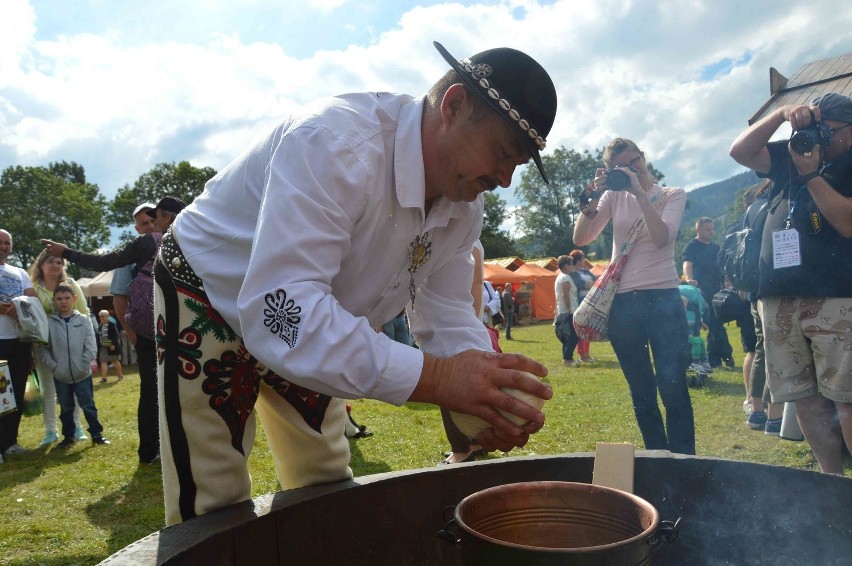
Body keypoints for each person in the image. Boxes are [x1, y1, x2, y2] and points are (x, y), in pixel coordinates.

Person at [152, 41, 555, 524]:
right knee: (211, 498)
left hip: (318, 312)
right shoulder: (334, 142)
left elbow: (445, 307)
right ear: (454, 106)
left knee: (324, 482)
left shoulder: (465, 201)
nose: (507, 179)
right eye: (504, 153)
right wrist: (440, 380)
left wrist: (485, 398)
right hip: (208, 288)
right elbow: (280, 306)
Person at [729, 92, 852, 474]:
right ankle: (831, 485)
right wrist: (782, 114)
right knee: (805, 399)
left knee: (847, 398)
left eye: (828, 131)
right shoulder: (791, 153)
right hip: (779, 299)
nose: (820, 138)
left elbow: (847, 222)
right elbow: (740, 151)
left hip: (836, 296)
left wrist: (811, 174)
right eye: (816, 129)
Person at [40, 197, 184, 465]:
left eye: (156, 218)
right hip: (179, 327)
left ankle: (153, 452)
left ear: (166, 217)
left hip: (153, 328)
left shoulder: (151, 243)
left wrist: (66, 251)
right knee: (176, 388)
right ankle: (163, 451)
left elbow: (104, 261)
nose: (153, 224)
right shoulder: (193, 241)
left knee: (154, 390)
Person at [574, 137, 695, 455]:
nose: (630, 170)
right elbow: (582, 237)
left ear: (644, 157)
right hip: (624, 304)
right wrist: (593, 198)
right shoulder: (612, 197)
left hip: (664, 299)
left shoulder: (672, 194)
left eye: (634, 162)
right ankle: (657, 457)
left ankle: (684, 462)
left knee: (673, 387)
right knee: (641, 391)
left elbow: (661, 238)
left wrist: (639, 191)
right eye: (621, 168)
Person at [28, 251, 90, 445]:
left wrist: (83, 337)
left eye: (59, 262)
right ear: (41, 265)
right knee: (48, 390)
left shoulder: (71, 285)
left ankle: (77, 427)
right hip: (44, 345)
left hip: (71, 345)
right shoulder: (33, 288)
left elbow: (84, 311)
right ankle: (50, 432)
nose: (55, 265)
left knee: (74, 387)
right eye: (50, 262)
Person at [37, 283, 110, 448]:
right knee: (66, 407)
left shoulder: (83, 320)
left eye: (67, 298)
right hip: (61, 375)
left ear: (74, 299)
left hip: (82, 373)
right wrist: (54, 366)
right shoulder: (50, 323)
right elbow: (43, 348)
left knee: (88, 404)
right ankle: (68, 437)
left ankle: (97, 434)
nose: (63, 302)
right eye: (59, 299)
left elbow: (91, 344)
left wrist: (84, 363)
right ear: (54, 301)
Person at [0, 229, 36, 463]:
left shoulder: (19, 272)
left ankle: (10, 442)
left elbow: (31, 298)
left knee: (16, 393)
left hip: (20, 339)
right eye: (0, 242)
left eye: (7, 243)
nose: (4, 246)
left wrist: (17, 306)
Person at [682, 217, 735, 369]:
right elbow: (687, 264)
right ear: (698, 230)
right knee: (714, 324)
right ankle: (725, 355)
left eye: (712, 229)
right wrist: (689, 279)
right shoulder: (691, 246)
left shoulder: (716, 248)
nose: (711, 232)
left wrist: (728, 281)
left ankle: (715, 359)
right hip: (701, 292)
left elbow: (723, 268)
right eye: (708, 229)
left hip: (717, 291)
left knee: (716, 325)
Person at [568, 249, 596, 363]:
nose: (584, 260)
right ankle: (582, 355)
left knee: (588, 329)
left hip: (590, 301)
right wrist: (592, 284)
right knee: (581, 330)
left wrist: (592, 284)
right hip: (581, 302)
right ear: (578, 260)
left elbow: (596, 280)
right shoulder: (573, 273)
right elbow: (583, 284)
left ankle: (587, 354)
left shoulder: (585, 271)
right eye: (583, 258)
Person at [554, 255, 580, 367]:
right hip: (569, 311)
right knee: (575, 335)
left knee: (567, 336)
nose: (572, 266)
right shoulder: (565, 278)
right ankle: (567, 358)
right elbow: (565, 295)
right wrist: (569, 309)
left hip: (562, 310)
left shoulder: (560, 277)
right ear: (565, 265)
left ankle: (567, 358)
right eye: (571, 264)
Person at [96, 310, 123, 383]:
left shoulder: (111, 324)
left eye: (103, 316)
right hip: (103, 346)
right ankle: (104, 378)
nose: (101, 318)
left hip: (112, 346)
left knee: (115, 361)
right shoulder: (100, 325)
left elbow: (115, 335)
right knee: (103, 361)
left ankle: (120, 376)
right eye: (100, 317)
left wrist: (113, 344)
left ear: (107, 316)